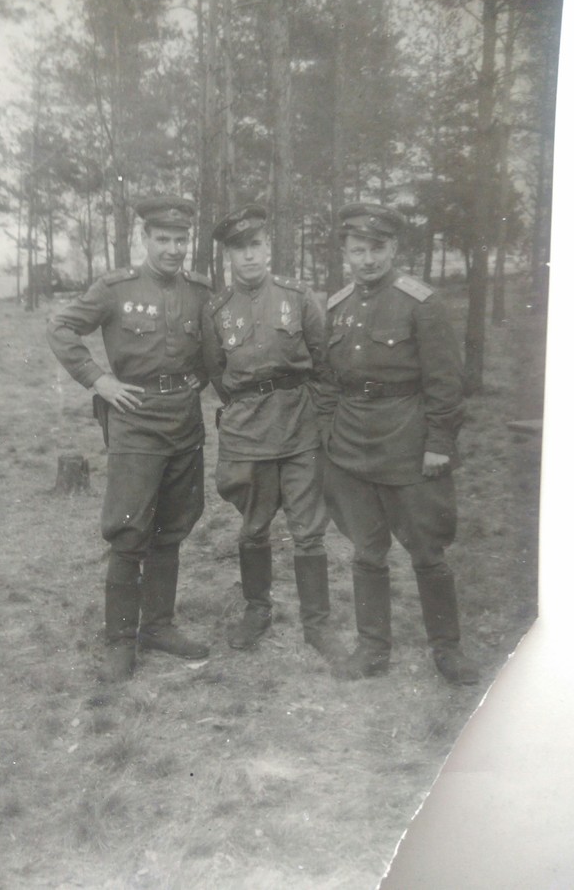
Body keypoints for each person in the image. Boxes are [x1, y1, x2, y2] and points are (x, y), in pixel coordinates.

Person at [46, 195, 211, 681]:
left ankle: (158, 626)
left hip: (184, 419)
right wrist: (98, 379)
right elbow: (61, 327)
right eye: (163, 239)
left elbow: (214, 346)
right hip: (135, 418)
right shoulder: (115, 288)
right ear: (145, 239)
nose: (173, 249)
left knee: (172, 527)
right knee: (129, 528)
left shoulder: (200, 290)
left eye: (180, 240)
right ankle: (119, 641)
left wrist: (201, 379)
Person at [318, 202, 478, 685]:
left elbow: (446, 382)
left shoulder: (420, 303)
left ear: (393, 249)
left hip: (408, 441)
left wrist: (439, 442)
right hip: (350, 445)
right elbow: (327, 381)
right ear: (345, 253)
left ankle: (447, 649)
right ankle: (372, 649)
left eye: (377, 248)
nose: (367, 259)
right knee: (366, 551)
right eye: (358, 250)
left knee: (427, 551)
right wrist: (328, 436)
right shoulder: (337, 306)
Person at [202, 203, 351, 678]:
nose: (248, 256)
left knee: (309, 530)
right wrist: (246, 403)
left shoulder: (298, 297)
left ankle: (317, 624)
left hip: (299, 425)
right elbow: (216, 372)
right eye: (239, 249)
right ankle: (257, 610)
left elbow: (323, 364)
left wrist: (320, 421)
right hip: (247, 430)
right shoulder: (216, 310)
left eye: (255, 245)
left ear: (268, 248)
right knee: (253, 526)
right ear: (229, 256)